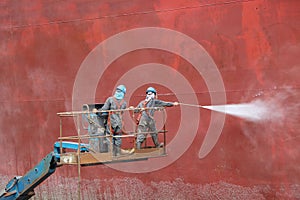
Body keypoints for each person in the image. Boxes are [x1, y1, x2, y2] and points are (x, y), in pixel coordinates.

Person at [100, 85, 133, 156]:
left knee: (109, 136)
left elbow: (104, 109)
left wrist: (97, 111)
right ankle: (117, 153)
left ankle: (111, 153)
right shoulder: (124, 103)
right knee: (118, 137)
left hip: (111, 122)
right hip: (119, 122)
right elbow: (122, 112)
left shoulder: (110, 100)